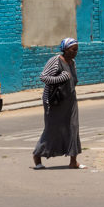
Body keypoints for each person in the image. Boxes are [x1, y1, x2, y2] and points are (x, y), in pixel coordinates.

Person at [32, 38, 84, 169]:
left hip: (70, 101)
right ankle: (37, 157)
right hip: (54, 102)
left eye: (77, 50)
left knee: (73, 128)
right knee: (52, 129)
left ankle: (73, 161)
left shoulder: (73, 62)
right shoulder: (55, 61)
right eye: (73, 50)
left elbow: (74, 79)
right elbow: (43, 77)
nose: (75, 52)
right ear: (65, 49)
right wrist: (62, 77)